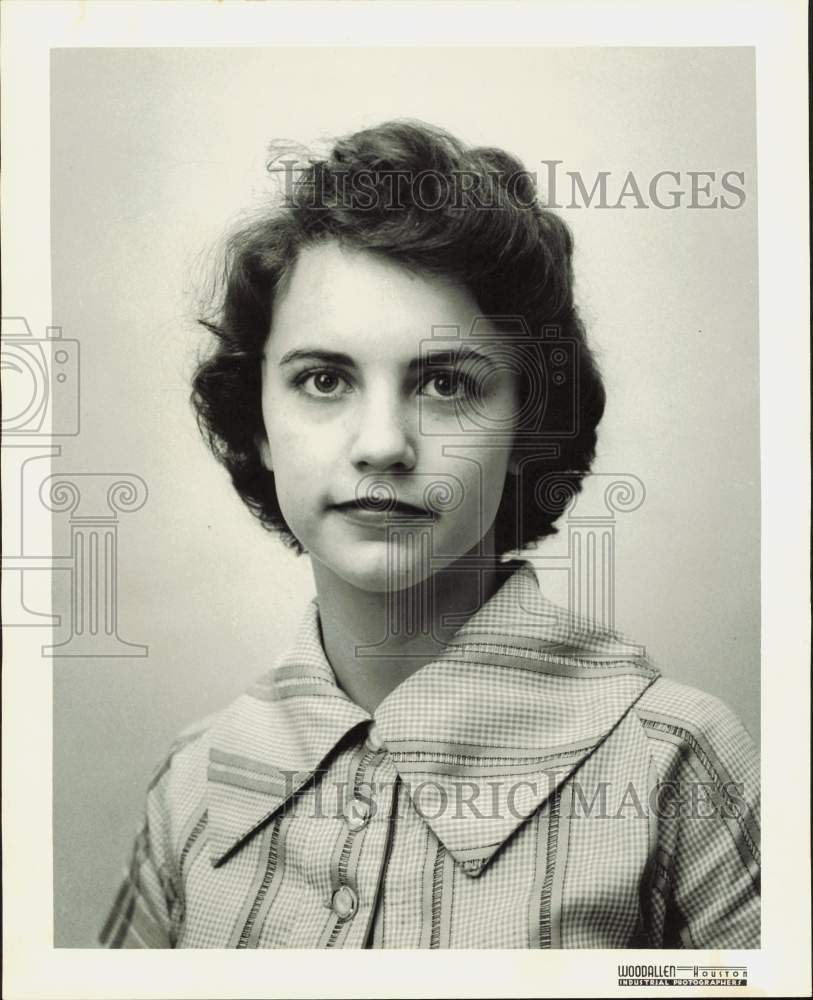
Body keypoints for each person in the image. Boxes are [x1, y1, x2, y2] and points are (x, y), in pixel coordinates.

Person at [100, 120, 760, 949]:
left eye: (445, 383)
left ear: (527, 423)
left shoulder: (675, 768)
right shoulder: (192, 788)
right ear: (259, 421)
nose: (382, 443)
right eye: (323, 379)